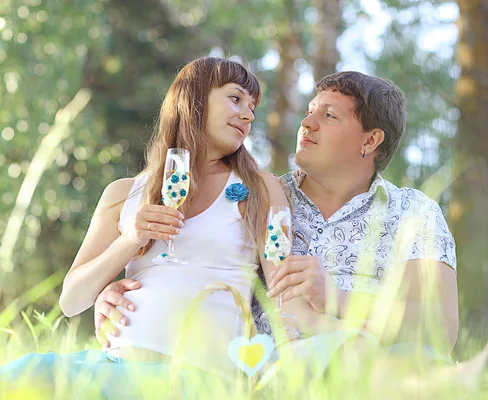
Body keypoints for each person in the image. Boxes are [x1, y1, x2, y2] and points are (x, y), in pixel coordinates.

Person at [96, 71, 459, 370]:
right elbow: (194, 265)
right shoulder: (256, 195)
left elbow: (441, 329)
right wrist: (116, 292)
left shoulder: (413, 212)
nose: (307, 123)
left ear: (371, 140)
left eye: (329, 116)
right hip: (269, 370)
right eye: (310, 111)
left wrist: (335, 298)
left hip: (375, 365)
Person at [0, 56, 297, 394]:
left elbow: (283, 288)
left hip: (194, 378)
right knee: (24, 374)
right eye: (235, 98)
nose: (248, 115)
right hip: (113, 367)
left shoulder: (259, 187)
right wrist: (130, 239)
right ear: (194, 98)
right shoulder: (124, 193)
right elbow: (71, 300)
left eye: (252, 106)